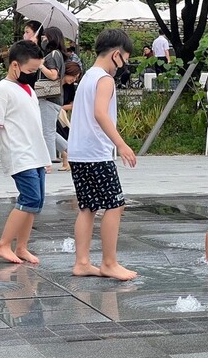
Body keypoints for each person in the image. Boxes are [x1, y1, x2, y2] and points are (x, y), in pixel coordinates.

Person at [68, 28, 138, 281]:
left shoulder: (88, 76)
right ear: (117, 55)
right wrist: (121, 144)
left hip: (78, 153)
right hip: (96, 153)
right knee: (115, 205)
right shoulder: (105, 79)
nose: (123, 67)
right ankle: (109, 263)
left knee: (88, 207)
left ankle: (82, 262)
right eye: (125, 61)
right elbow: (100, 113)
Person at [0, 40, 50, 264]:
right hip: (19, 154)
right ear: (14, 66)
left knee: (35, 204)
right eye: (30, 70)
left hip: (35, 154)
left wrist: (45, 157)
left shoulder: (28, 88)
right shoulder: (2, 90)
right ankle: (3, 244)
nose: (33, 75)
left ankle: (21, 247)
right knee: (30, 199)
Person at [38, 27, 66, 165]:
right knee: (49, 130)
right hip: (54, 98)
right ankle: (70, 150)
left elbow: (53, 75)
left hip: (49, 97)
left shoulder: (53, 54)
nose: (43, 39)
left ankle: (48, 161)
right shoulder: (57, 54)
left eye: (45, 37)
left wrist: (41, 66)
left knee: (47, 131)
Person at [55, 61, 82, 172]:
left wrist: (61, 108)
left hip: (60, 112)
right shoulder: (54, 84)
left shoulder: (70, 87)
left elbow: (73, 105)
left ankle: (67, 155)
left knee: (59, 126)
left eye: (76, 78)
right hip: (52, 112)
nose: (74, 80)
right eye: (73, 76)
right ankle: (67, 155)